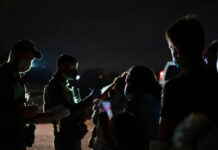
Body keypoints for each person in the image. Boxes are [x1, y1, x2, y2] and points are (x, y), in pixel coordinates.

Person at [159, 15, 218, 145]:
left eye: (171, 47)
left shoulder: (174, 88)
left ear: (177, 51)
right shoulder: (214, 78)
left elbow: (164, 137)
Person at [43, 54, 98, 150]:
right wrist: (91, 98)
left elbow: (75, 109)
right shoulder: (55, 86)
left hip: (71, 134)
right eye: (72, 66)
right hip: (66, 136)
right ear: (62, 65)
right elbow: (68, 112)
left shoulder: (66, 84)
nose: (75, 70)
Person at [0, 40, 42, 150]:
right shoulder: (2, 76)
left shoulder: (19, 79)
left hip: (16, 138)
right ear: (15, 54)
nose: (29, 62)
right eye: (26, 57)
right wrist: (21, 112)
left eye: (31, 60)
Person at [124, 65, 162, 148]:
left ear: (135, 84)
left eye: (127, 81)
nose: (125, 85)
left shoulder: (136, 107)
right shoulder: (157, 100)